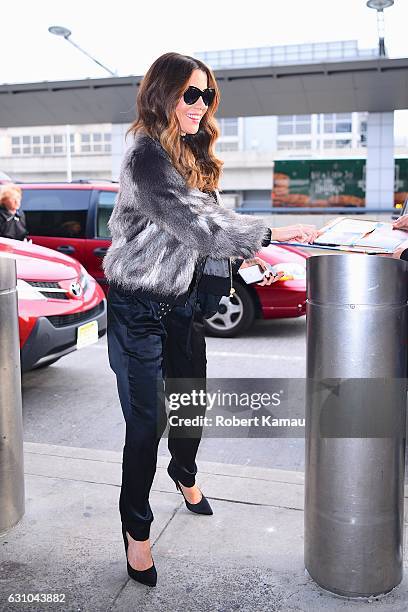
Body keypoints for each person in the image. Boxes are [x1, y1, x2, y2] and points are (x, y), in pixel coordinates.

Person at [103, 51, 320, 588]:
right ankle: (136, 531)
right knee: (147, 423)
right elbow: (197, 222)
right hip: (137, 307)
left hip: (181, 302)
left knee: (192, 404)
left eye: (206, 95)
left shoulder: (192, 153)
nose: (200, 105)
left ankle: (184, 474)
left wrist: (253, 260)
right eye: (190, 94)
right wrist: (266, 237)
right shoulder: (146, 157)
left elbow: (212, 226)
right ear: (163, 95)